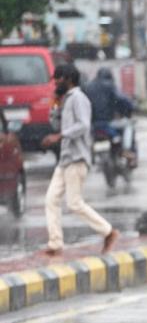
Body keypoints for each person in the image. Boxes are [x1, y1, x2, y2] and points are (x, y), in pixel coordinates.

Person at [40, 64, 119, 257]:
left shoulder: (79, 98)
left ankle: (108, 232)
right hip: (66, 159)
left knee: (74, 203)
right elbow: (56, 123)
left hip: (77, 158)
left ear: (69, 78)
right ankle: (55, 244)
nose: (56, 82)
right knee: (51, 200)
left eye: (58, 78)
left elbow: (83, 126)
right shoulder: (65, 100)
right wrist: (55, 106)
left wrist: (60, 136)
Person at [82, 67, 137, 167]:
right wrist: (131, 107)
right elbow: (122, 100)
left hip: (92, 125)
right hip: (107, 123)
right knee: (129, 125)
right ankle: (127, 150)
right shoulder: (109, 86)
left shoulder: (88, 87)